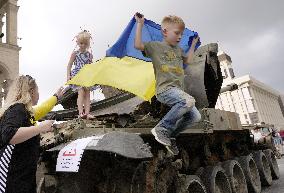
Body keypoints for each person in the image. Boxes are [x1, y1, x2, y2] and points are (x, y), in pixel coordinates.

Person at [134, 14, 201, 153]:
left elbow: (188, 60)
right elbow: (138, 45)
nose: (180, 37)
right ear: (165, 31)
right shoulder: (155, 46)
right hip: (164, 89)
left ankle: (171, 136)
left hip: (177, 91)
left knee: (195, 116)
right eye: (177, 33)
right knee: (188, 101)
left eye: (181, 34)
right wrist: (139, 24)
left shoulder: (178, 50)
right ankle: (161, 128)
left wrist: (193, 44)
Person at [0, 75, 64, 193]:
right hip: (11, 178)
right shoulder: (17, 109)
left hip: (22, 175)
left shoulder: (25, 112)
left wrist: (56, 97)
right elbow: (9, 134)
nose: (39, 94)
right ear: (32, 91)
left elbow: (42, 109)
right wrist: (40, 128)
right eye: (38, 90)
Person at [67, 30, 96, 119]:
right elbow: (69, 65)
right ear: (78, 43)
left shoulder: (89, 55)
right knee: (81, 92)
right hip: (78, 75)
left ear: (88, 44)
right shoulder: (75, 53)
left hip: (86, 75)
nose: (83, 45)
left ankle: (87, 113)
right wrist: (68, 75)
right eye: (81, 43)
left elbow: (90, 66)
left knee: (87, 94)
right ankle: (80, 112)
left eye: (85, 43)